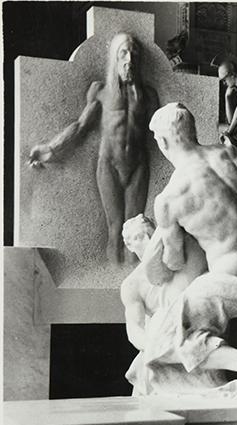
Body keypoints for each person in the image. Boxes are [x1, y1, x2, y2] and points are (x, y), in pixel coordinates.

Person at [147, 102, 237, 398]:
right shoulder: (229, 154)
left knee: (163, 340)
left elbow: (174, 260)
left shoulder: (170, 199)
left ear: (162, 142)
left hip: (231, 283)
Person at [28, 33, 159, 263]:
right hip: (109, 165)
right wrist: (51, 148)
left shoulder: (148, 95)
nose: (129, 59)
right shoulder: (100, 91)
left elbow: (161, 132)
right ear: (115, 59)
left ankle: (131, 283)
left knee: (135, 230)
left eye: (134, 54)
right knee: (115, 228)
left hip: (138, 166)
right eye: (123, 53)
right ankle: (112, 278)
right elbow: (80, 126)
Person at [120, 215, 237, 396]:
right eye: (139, 237)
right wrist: (155, 347)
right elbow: (134, 328)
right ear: (130, 246)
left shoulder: (180, 261)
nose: (146, 240)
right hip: (162, 344)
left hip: (194, 330)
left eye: (150, 234)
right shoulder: (132, 285)